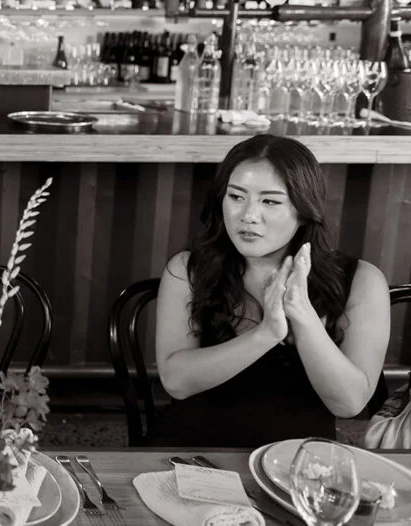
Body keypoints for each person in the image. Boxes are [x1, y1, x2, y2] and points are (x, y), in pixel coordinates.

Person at [152, 134, 390, 447]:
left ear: (303, 210)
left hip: (299, 459)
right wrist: (266, 334)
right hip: (193, 451)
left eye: (270, 201)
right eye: (236, 196)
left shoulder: (362, 280)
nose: (248, 216)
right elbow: (175, 382)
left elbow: (349, 403)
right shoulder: (188, 268)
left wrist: (301, 314)